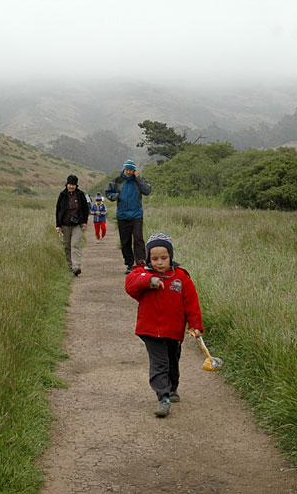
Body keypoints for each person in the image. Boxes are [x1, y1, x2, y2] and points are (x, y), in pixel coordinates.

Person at [125, 232, 204, 417]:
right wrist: (150, 280)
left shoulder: (181, 277)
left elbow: (192, 303)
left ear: (171, 256)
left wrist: (195, 325)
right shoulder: (142, 274)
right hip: (150, 330)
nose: (159, 263)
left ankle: (172, 387)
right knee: (159, 363)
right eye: (154, 259)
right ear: (148, 258)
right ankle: (163, 397)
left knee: (172, 361)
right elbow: (130, 285)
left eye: (164, 258)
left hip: (173, 330)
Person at [105, 159, 152, 275]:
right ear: (124, 169)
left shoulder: (138, 180)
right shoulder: (118, 180)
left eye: (131, 170)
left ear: (134, 170)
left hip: (137, 215)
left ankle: (140, 263)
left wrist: (138, 178)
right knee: (125, 241)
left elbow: (147, 191)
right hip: (122, 215)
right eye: (127, 169)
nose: (128, 172)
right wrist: (116, 196)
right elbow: (108, 192)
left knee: (138, 239)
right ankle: (130, 264)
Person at [55, 174, 89, 276]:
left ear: (76, 185)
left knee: (75, 244)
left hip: (77, 225)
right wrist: (58, 225)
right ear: (67, 184)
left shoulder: (80, 195)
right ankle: (70, 267)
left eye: (73, 185)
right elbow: (58, 210)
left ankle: (76, 266)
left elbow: (85, 209)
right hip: (65, 225)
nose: (71, 186)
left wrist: (84, 222)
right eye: (70, 184)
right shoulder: (62, 195)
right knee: (67, 246)